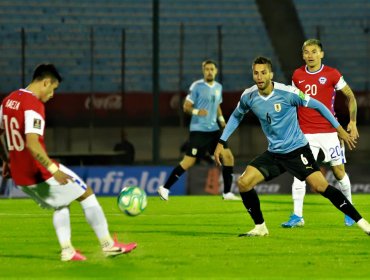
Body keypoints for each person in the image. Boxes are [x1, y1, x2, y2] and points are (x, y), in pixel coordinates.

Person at [214, 56, 370, 237]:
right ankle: (260, 227)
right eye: (256, 73)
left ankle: (364, 224)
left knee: (321, 187)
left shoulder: (288, 93)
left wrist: (339, 129)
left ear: (271, 74)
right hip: (275, 153)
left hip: (298, 151)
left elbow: (319, 106)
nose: (259, 77)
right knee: (243, 183)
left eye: (263, 73)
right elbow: (236, 116)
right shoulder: (249, 96)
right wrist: (221, 141)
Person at [0, 64, 137, 261]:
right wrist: (52, 169)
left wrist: (6, 160)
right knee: (87, 194)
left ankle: (67, 250)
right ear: (45, 82)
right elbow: (32, 143)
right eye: (53, 88)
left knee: (61, 204)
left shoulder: (8, 101)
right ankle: (108, 245)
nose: (52, 94)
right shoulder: (34, 105)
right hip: (39, 171)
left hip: (21, 177)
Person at [281, 39, 359, 228]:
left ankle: (350, 211)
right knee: (300, 175)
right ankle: (297, 216)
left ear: (321, 54)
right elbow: (292, 101)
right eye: (306, 52)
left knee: (339, 173)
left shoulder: (332, 74)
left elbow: (350, 96)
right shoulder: (297, 75)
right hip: (305, 134)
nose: (310, 55)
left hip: (330, 132)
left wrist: (353, 122)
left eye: (314, 51)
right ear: (303, 55)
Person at [158, 60, 239, 201]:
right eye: (206, 69)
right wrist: (196, 111)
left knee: (228, 157)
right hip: (199, 131)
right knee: (188, 162)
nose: (209, 71)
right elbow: (186, 106)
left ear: (216, 71)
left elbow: (217, 105)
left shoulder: (218, 87)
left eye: (211, 69)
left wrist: (221, 120)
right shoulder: (196, 86)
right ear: (203, 71)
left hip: (214, 130)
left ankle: (227, 193)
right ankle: (165, 188)